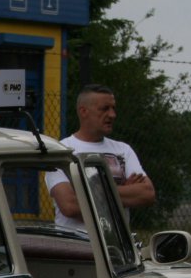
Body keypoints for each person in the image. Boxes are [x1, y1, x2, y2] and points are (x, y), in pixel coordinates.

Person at [45, 84, 156, 232]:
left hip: (116, 245)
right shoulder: (61, 152)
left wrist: (86, 194)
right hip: (74, 244)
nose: (112, 115)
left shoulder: (123, 150)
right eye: (104, 109)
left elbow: (147, 193)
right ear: (83, 111)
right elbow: (70, 205)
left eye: (113, 108)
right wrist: (125, 191)